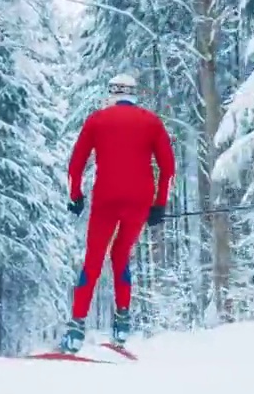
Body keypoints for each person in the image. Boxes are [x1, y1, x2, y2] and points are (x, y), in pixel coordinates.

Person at [61, 73, 175, 352]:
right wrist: (159, 204)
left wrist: (76, 196)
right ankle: (122, 325)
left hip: (106, 200)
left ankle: (76, 329)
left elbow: (76, 164)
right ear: (134, 95)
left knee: (93, 260)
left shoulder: (97, 120)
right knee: (121, 255)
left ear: (111, 93)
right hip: (140, 200)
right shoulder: (152, 122)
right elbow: (168, 167)